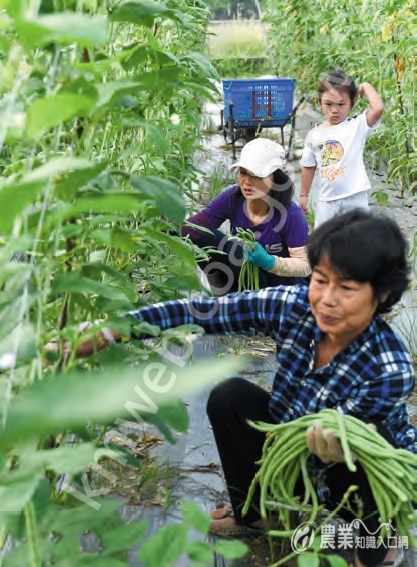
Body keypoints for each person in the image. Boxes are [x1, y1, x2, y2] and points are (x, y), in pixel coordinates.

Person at [56, 210, 415, 567]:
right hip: (290, 440)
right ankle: (256, 514)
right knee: (231, 396)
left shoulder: (389, 371)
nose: (327, 299)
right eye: (321, 280)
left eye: (347, 288)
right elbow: (203, 312)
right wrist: (114, 329)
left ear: (382, 295)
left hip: (349, 469)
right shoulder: (294, 306)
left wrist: (338, 450)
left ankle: (377, 550)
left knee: (372, 447)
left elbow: (335, 454)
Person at [182, 137, 311, 295]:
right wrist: (162, 228)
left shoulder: (291, 215)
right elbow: (195, 226)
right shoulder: (232, 198)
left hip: (282, 286)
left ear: (274, 178)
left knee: (238, 250)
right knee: (204, 235)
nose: (247, 182)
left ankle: (254, 303)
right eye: (243, 173)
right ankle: (223, 294)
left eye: (256, 175)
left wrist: (270, 262)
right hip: (244, 274)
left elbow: (305, 266)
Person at [299, 69, 384, 228]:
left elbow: (378, 108)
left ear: (351, 104)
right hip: (327, 200)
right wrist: (304, 195)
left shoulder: (357, 126)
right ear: (320, 103)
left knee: (360, 237)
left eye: (341, 104)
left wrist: (365, 87)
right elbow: (308, 166)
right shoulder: (314, 135)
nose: (334, 110)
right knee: (325, 240)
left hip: (355, 197)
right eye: (328, 104)